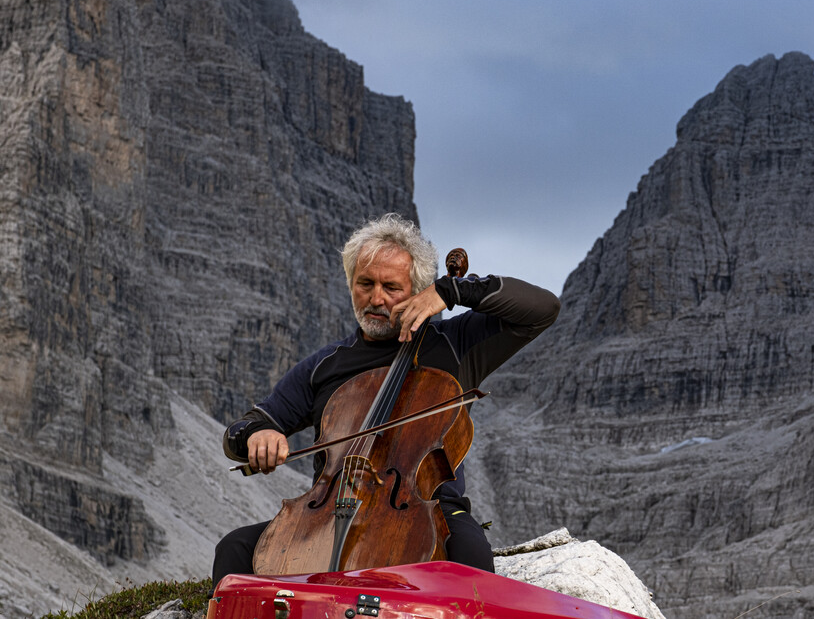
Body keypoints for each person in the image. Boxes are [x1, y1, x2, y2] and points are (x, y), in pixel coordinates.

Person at [211, 213, 560, 589]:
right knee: (234, 548)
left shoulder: (454, 345)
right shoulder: (325, 366)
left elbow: (542, 310)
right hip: (328, 511)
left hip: (428, 510)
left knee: (471, 560)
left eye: (391, 287)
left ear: (418, 290)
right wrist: (257, 436)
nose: (376, 299)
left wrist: (456, 292)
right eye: (365, 283)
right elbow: (245, 427)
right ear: (350, 284)